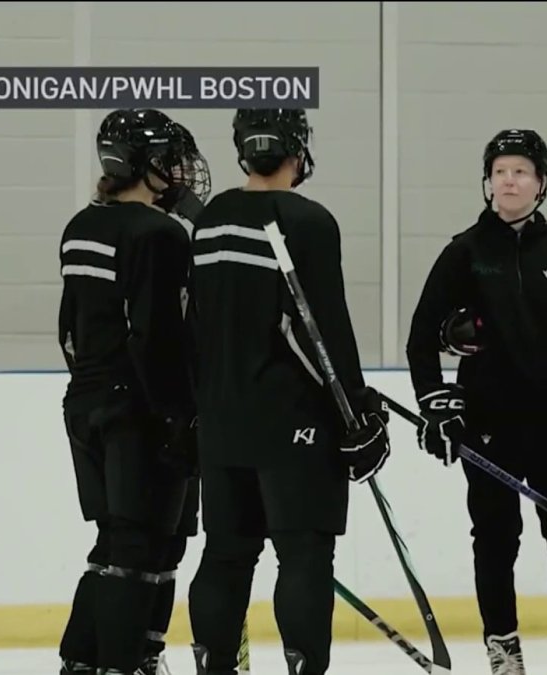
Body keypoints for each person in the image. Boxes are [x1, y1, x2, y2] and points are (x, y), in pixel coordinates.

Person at [405, 128, 547, 675]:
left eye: (521, 171)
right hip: (488, 422)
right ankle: (503, 646)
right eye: (500, 171)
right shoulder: (465, 252)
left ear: (540, 183)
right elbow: (420, 336)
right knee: (497, 539)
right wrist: (434, 402)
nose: (509, 180)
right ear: (487, 183)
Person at [184, 107, 391, 675]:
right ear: (298, 150)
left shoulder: (211, 219)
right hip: (292, 420)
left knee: (227, 554)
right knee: (303, 554)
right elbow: (316, 328)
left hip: (222, 420)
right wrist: (356, 412)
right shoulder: (307, 220)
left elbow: (195, 323)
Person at [56, 109, 211, 675]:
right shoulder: (158, 234)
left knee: (128, 543)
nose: (178, 170)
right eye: (169, 159)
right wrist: (178, 416)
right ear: (145, 165)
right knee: (140, 549)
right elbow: (156, 336)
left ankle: (91, 660)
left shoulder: (81, 226)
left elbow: (68, 330)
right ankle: (122, 662)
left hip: (88, 403)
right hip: (139, 410)